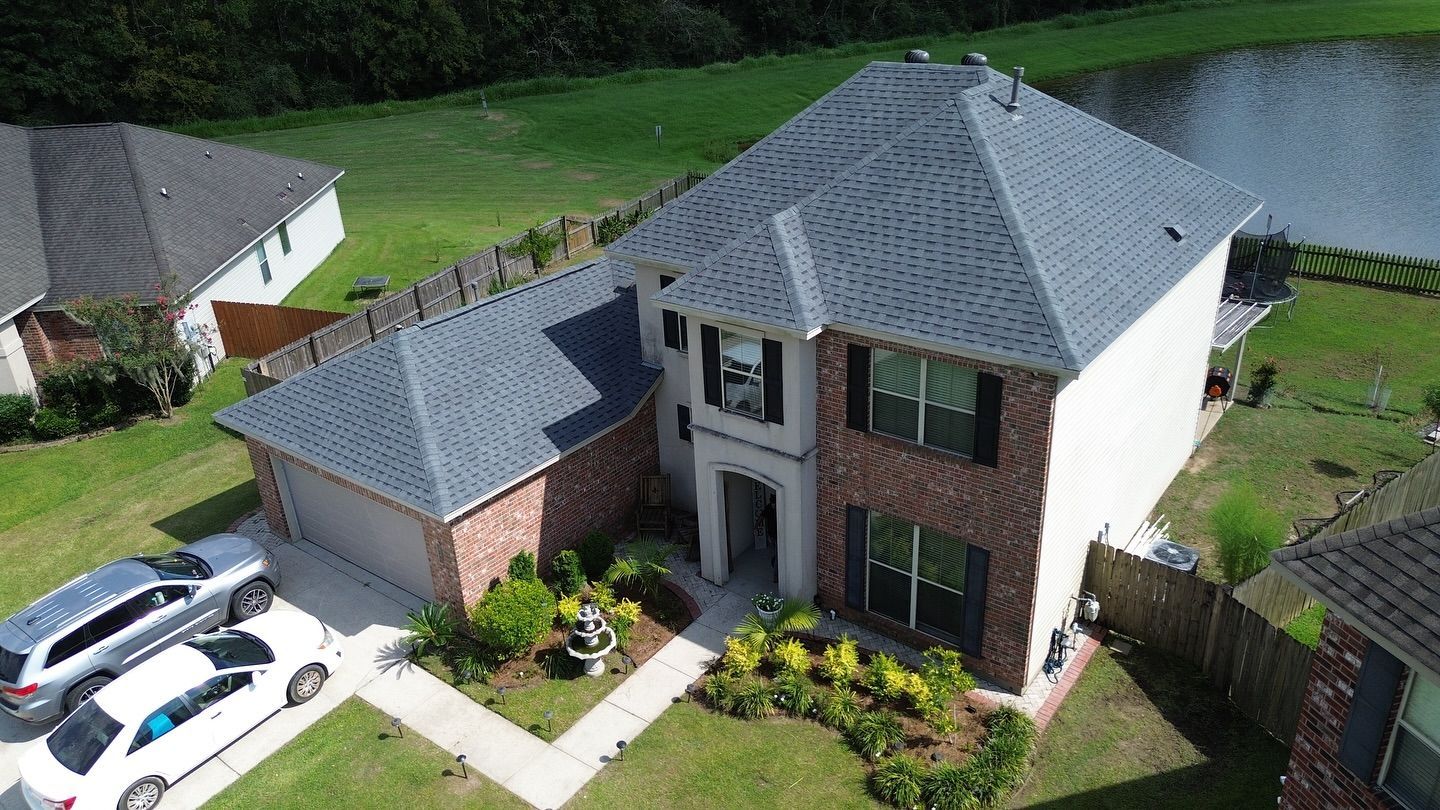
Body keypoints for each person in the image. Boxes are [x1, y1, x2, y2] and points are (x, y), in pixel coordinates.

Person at [755, 494, 778, 583]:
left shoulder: (778, 507)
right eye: (772, 503)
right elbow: (761, 518)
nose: (773, 505)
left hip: (777, 535)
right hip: (772, 535)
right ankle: (775, 576)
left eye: (774, 503)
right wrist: (755, 527)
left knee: (777, 554)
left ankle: (775, 573)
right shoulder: (768, 508)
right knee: (777, 554)